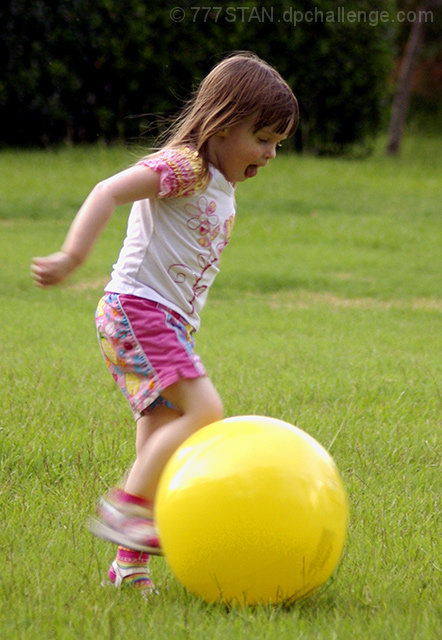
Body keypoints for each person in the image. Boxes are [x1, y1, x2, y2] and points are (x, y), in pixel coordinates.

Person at [31, 51, 299, 592]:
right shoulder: (187, 166)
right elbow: (109, 189)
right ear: (222, 126)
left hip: (160, 321)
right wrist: (72, 256)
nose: (270, 154)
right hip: (139, 312)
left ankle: (128, 566)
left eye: (277, 143)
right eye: (263, 137)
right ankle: (126, 508)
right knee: (206, 410)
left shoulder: (217, 181)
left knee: (159, 442)